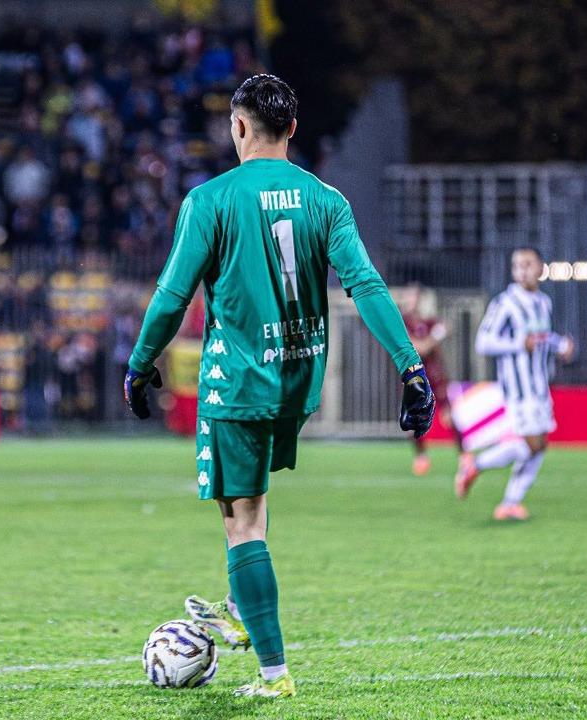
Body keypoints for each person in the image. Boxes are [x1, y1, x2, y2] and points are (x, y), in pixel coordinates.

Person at [123, 74, 434, 699]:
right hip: (296, 379)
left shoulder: (209, 200)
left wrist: (139, 363)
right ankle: (241, 604)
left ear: (239, 127)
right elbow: (367, 287)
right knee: (253, 512)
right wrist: (411, 366)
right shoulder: (326, 200)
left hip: (236, 380)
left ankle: (273, 674)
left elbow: (171, 296)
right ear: (292, 130)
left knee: (240, 521)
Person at [455, 247, 575, 521]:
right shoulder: (505, 303)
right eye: (517, 265)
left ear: (540, 268)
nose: (522, 270)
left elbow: (540, 338)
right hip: (519, 390)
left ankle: (510, 502)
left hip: (539, 386)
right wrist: (517, 344)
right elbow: (483, 342)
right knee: (532, 444)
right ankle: (477, 464)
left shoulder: (543, 302)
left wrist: (561, 346)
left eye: (527, 264)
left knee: (539, 445)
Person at [398, 284, 456, 475]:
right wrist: (437, 335)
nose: (411, 300)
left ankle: (465, 456)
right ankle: (421, 458)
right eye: (408, 296)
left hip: (434, 376)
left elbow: (435, 349)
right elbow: (420, 348)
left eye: (414, 296)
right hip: (415, 379)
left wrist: (438, 334)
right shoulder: (403, 322)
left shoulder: (429, 321)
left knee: (449, 417)